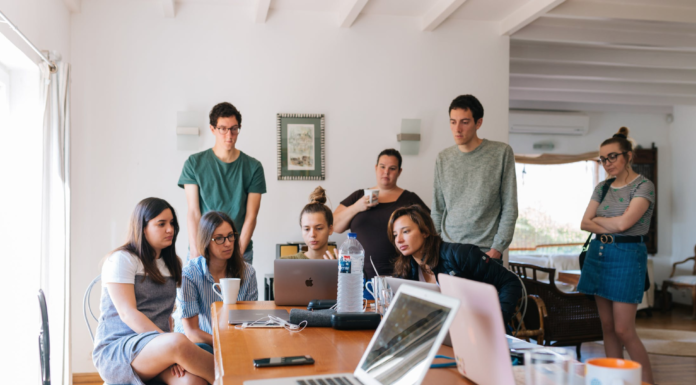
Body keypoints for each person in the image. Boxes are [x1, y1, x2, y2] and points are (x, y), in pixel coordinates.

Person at [93, 198, 213, 385]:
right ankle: (235, 380)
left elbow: (166, 315)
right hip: (118, 351)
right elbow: (127, 313)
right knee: (179, 342)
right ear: (142, 227)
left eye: (172, 223)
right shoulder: (122, 259)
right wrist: (168, 344)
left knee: (193, 382)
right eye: (161, 224)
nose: (170, 229)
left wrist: (167, 349)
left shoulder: (172, 263)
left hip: (159, 347)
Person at [578, 127, 655, 384]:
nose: (607, 163)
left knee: (624, 329)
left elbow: (624, 225)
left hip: (627, 256)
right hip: (599, 254)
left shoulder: (644, 186)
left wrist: (600, 220)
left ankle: (645, 382)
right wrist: (609, 221)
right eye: (602, 159)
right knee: (608, 328)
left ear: (628, 156)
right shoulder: (602, 187)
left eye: (612, 157)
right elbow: (584, 223)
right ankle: (615, 380)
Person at [388, 204, 522, 325]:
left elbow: (510, 281)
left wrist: (496, 321)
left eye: (406, 231)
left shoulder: (461, 254)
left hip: (477, 331)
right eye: (395, 235)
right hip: (443, 333)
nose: (399, 240)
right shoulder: (405, 269)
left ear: (425, 231)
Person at [432, 95, 517, 264]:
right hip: (448, 251)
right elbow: (438, 209)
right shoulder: (443, 158)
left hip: (485, 253)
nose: (457, 129)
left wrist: (497, 249)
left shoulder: (501, 153)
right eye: (453, 122)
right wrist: (435, 247)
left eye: (464, 122)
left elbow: (510, 206)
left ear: (478, 123)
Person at [179, 102, 266, 264]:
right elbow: (193, 212)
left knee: (239, 290)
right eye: (223, 128)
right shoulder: (194, 163)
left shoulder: (253, 167)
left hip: (239, 249)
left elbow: (251, 216)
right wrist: (196, 252)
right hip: (203, 249)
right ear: (213, 129)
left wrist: (237, 255)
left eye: (234, 128)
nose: (229, 135)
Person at [333, 149, 428, 278]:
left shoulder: (409, 199)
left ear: (399, 172)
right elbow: (335, 225)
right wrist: (356, 207)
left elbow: (429, 230)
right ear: (376, 168)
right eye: (382, 167)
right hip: (358, 276)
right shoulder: (359, 196)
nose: (386, 172)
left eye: (392, 168)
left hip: (401, 275)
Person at [174, 211, 258, 353]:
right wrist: (224, 343)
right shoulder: (189, 274)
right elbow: (192, 332)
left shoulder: (248, 272)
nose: (227, 243)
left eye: (230, 236)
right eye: (219, 238)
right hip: (199, 344)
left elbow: (250, 322)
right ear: (206, 241)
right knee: (204, 349)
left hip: (236, 342)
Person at [282, 186, 338, 260]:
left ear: (330, 229)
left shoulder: (341, 263)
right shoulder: (286, 262)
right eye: (306, 229)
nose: (312, 234)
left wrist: (338, 271)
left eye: (319, 228)